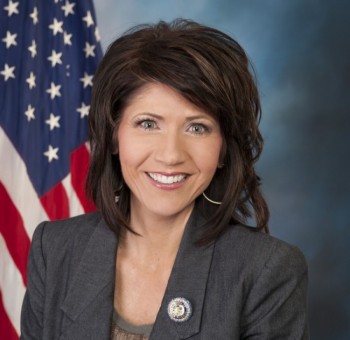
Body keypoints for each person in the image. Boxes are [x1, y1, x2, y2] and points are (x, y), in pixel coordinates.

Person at [20, 19, 309, 339]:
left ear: (224, 147)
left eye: (197, 127)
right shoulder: (55, 249)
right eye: (147, 124)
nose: (171, 155)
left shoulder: (267, 271)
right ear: (113, 136)